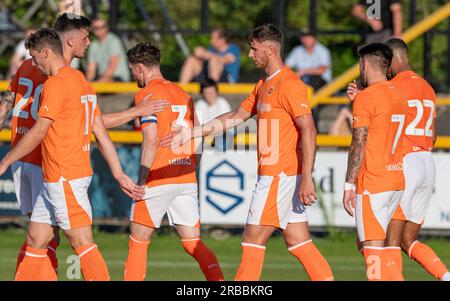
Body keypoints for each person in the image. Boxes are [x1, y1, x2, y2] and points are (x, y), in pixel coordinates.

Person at [0, 13, 168, 280]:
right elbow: (98, 127)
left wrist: (5, 160)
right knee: (37, 237)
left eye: (34, 57)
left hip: (61, 172)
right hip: (50, 171)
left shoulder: (56, 82)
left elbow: (42, 127)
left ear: (45, 52)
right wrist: (117, 171)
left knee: (81, 242)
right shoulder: (82, 81)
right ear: (67, 40)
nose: (89, 42)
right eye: (85, 36)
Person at [162, 24, 334, 281]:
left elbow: (309, 131)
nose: (250, 55)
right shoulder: (264, 84)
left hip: (279, 174)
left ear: (270, 49)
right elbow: (234, 116)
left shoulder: (289, 83)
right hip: (280, 174)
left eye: (254, 49)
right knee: (299, 241)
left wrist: (307, 177)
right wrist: (192, 133)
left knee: (252, 239)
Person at [123, 42, 224, 281]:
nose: (132, 75)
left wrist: (141, 180)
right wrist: (191, 168)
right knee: (193, 244)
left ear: (140, 68)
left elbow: (151, 140)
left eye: (132, 70)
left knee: (138, 241)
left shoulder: (146, 94)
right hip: (185, 177)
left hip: (158, 177)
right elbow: (200, 135)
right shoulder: (183, 93)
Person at [382, 38, 449, 281]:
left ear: (392, 60)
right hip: (427, 163)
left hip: (407, 163)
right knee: (407, 239)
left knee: (390, 236)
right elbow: (432, 136)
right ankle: (446, 276)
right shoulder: (427, 87)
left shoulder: (394, 87)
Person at [343, 42, 407, 281]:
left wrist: (349, 185)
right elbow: (381, 127)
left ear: (364, 63)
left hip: (374, 183)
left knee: (372, 256)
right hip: (396, 180)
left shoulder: (367, 97)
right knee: (374, 251)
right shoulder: (398, 95)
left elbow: (358, 143)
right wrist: (358, 102)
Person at [286, 31, 332, 128]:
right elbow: (286, 67)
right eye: (303, 37)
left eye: (308, 37)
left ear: (314, 38)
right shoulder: (297, 50)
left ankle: (311, 122)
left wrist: (304, 71)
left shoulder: (322, 50)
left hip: (321, 86)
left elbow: (322, 70)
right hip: (306, 85)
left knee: (313, 81)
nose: (305, 39)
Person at [195, 78, 231, 151]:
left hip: (221, 135)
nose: (209, 95)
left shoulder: (223, 103)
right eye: (206, 93)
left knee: (221, 142)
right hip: (204, 135)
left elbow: (227, 125)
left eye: (211, 93)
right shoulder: (199, 104)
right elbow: (197, 125)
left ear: (216, 92)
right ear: (202, 93)